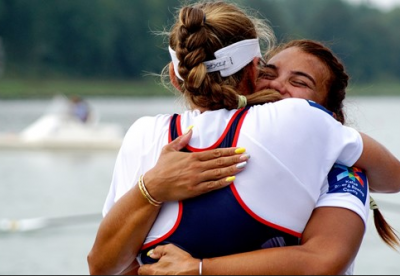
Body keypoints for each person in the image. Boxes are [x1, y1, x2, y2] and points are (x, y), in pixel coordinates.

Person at [87, 2, 400, 275]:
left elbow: (106, 266)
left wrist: (197, 267)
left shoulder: (143, 135)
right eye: (269, 72)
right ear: (253, 70)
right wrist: (151, 189)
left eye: (299, 82)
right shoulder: (300, 119)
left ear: (174, 76)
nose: (278, 88)